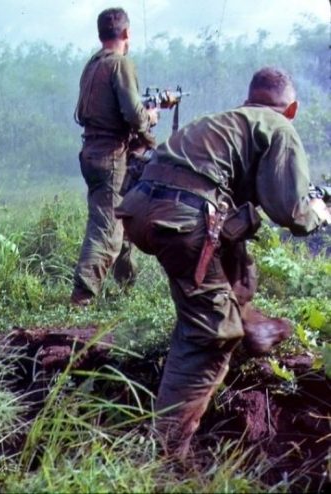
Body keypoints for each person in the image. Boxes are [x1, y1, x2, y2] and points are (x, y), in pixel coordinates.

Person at [115, 67, 331, 459]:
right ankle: (164, 455)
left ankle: (252, 326)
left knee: (233, 262)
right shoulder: (279, 127)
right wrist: (319, 208)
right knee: (210, 337)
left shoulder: (222, 121)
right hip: (181, 219)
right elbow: (293, 214)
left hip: (139, 210)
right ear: (292, 108)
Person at [69, 7, 160, 307]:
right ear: (126, 33)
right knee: (107, 228)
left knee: (121, 218)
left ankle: (125, 288)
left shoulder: (93, 64)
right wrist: (150, 123)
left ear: (100, 34)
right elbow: (134, 114)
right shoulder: (120, 64)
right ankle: (82, 298)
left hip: (94, 152)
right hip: (110, 156)